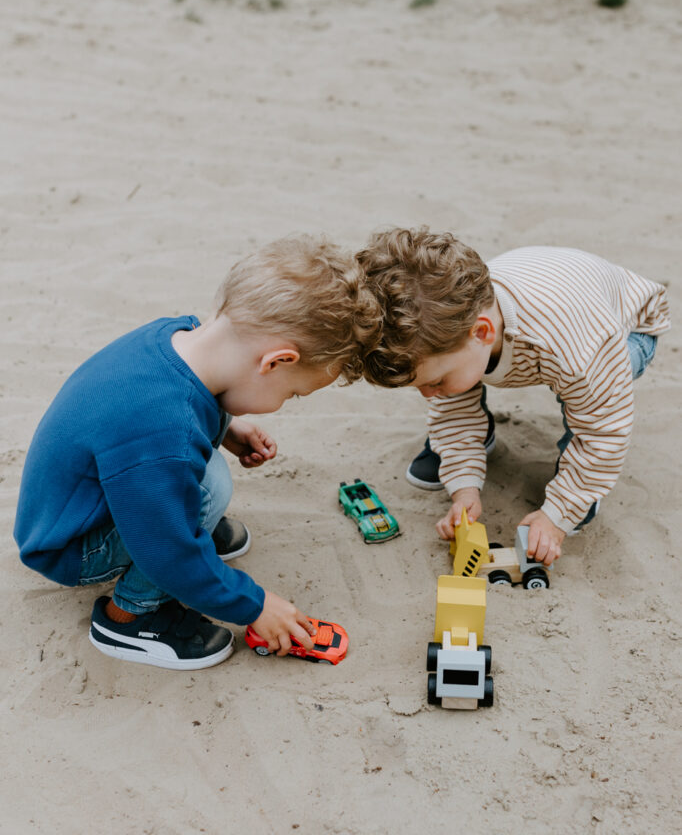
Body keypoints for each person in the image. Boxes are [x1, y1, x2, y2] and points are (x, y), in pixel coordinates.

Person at [15, 235, 381, 670]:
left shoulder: (176, 336)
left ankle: (189, 533)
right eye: (294, 393)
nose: (287, 401)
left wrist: (228, 426)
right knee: (198, 500)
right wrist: (256, 606)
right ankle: (130, 618)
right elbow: (167, 549)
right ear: (275, 363)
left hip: (75, 501)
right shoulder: (164, 431)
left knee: (202, 478)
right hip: (71, 545)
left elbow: (182, 401)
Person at [357, 228, 670, 567]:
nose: (428, 394)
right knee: (456, 390)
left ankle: (577, 483)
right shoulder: (449, 328)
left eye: (433, 381)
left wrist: (557, 516)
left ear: (482, 333)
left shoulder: (579, 350)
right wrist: (464, 488)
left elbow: (604, 431)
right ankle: (472, 442)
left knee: (588, 401)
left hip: (625, 327)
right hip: (540, 301)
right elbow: (450, 401)